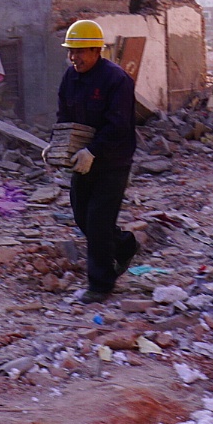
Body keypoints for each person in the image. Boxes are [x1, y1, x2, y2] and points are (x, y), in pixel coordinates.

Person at [49, 19, 137, 304]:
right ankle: (124, 246)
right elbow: (64, 116)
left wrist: (93, 151)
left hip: (112, 160)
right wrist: (58, 144)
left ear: (96, 50)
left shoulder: (116, 80)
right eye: (71, 51)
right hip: (81, 160)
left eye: (80, 52)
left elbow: (119, 125)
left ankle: (100, 285)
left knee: (99, 221)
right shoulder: (70, 78)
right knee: (82, 216)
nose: (74, 57)